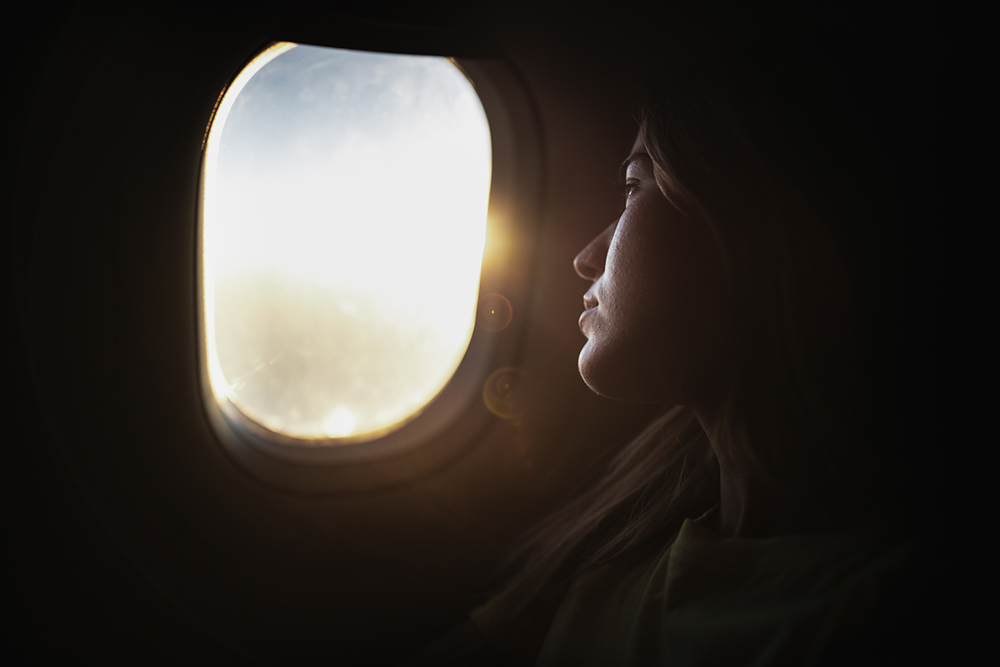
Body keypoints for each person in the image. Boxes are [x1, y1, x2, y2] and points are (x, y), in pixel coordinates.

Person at [404, 28, 927, 667]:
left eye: (632, 188)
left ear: (749, 225)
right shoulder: (618, 544)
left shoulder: (871, 607)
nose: (585, 257)